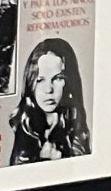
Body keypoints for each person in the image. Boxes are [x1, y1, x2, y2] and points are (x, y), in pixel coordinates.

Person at [8, 36, 91, 164]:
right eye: (40, 80)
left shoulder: (75, 126)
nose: (48, 89)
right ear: (30, 82)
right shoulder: (21, 126)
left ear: (69, 81)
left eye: (58, 78)